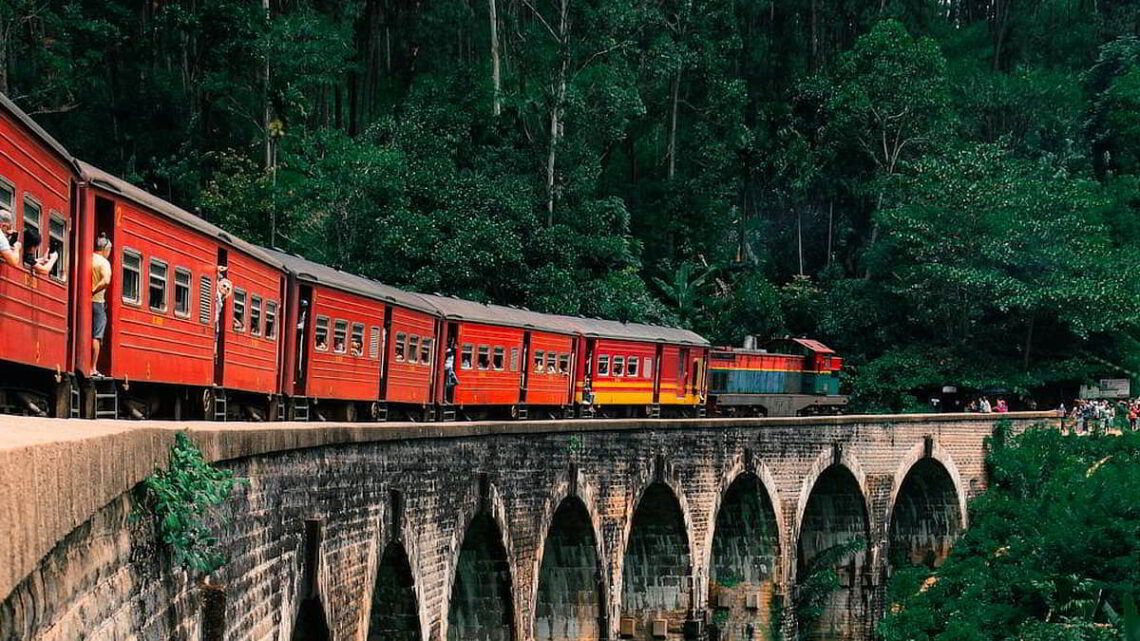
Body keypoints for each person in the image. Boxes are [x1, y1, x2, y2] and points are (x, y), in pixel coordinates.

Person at [91, 234, 112, 377]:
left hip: (87, 303)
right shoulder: (104, 262)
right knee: (97, 336)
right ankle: (92, 368)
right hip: (97, 302)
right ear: (106, 249)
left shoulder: (89, 257)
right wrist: (92, 291)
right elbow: (106, 281)